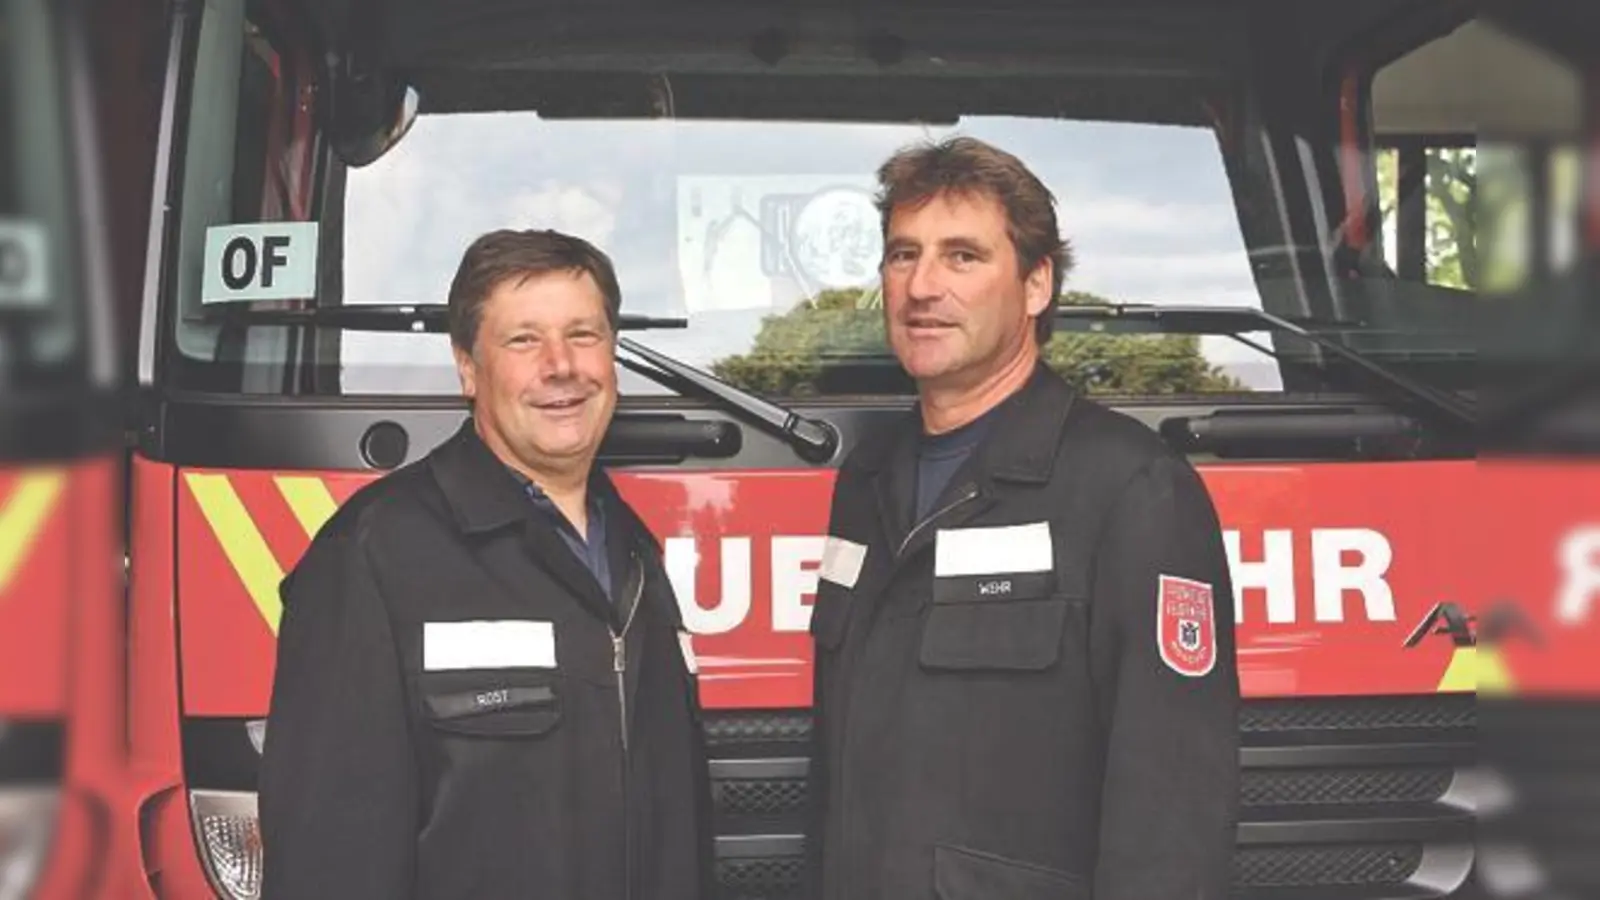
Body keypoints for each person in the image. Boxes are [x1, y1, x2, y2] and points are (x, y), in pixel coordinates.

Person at [803, 136, 1241, 900]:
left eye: (963, 257)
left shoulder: (1132, 489)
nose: (922, 286)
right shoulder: (866, 483)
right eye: (903, 255)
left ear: (1036, 285)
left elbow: (1172, 815)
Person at [258, 229, 712, 899]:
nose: (561, 365)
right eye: (523, 340)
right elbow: (326, 856)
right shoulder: (372, 557)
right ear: (468, 367)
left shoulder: (634, 554)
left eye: (583, 335)